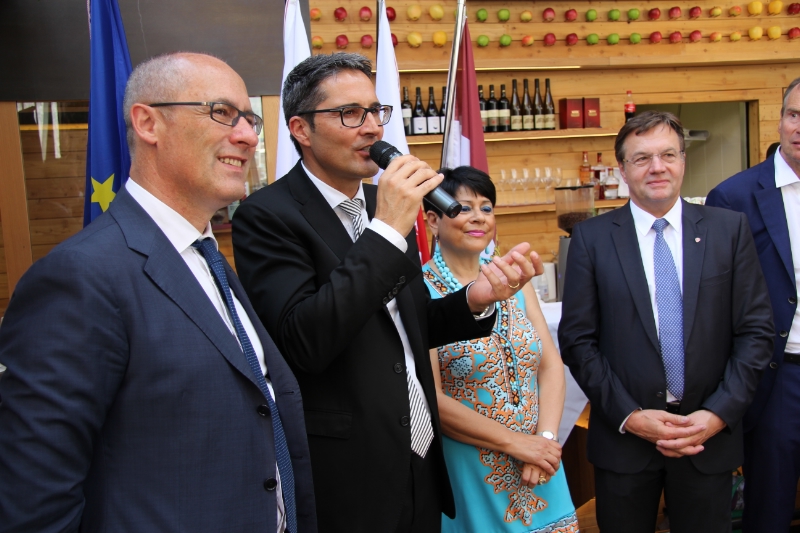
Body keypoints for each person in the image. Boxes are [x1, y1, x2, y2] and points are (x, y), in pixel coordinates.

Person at [0, 52, 316, 533]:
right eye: (221, 112)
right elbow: (34, 496)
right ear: (148, 123)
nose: (248, 136)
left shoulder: (209, 258)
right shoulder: (80, 277)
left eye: (249, 119)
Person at [232, 53, 539, 533]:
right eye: (350, 113)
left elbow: (406, 324)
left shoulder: (383, 202)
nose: (373, 128)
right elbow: (304, 341)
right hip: (350, 471)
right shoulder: (267, 216)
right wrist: (387, 229)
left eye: (376, 111)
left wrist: (475, 299)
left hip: (420, 457)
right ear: (300, 129)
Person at [558, 110, 774, 533]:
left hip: (706, 440)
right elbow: (579, 342)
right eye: (642, 158)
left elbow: (755, 332)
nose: (657, 167)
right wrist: (631, 416)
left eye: (668, 155)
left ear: (683, 161)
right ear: (622, 169)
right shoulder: (591, 239)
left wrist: (717, 414)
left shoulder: (729, 230)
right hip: (624, 442)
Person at [423, 166, 579, 532]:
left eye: (487, 208)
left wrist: (544, 441)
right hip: (471, 464)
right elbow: (430, 397)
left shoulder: (513, 280)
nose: (478, 217)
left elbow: (550, 367)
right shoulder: (419, 291)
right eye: (463, 208)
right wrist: (515, 444)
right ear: (433, 220)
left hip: (539, 461)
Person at [706, 76, 800, 532]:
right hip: (778, 377)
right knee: (769, 510)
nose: (799, 127)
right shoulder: (734, 196)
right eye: (794, 115)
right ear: (779, 121)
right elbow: (715, 299)